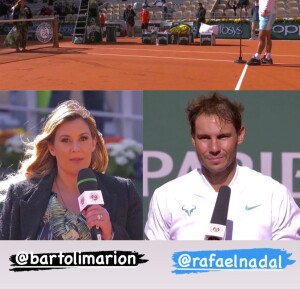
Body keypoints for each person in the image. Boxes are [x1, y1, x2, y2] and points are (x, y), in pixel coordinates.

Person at [144, 92, 300, 240]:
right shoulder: (166, 197)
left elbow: (291, 261)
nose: (214, 148)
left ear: (240, 135)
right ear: (193, 138)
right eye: (204, 138)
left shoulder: (274, 194)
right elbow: (155, 263)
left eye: (223, 137)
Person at [0, 100, 143, 240]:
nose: (75, 149)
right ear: (52, 148)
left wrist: (110, 233)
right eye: (65, 140)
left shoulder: (124, 192)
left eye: (83, 138)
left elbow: (141, 258)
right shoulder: (19, 195)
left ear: (93, 143)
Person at [247, 0, 276, 65]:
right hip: (265, 15)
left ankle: (256, 58)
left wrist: (265, 10)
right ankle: (267, 58)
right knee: (267, 36)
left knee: (261, 37)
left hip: (267, 15)